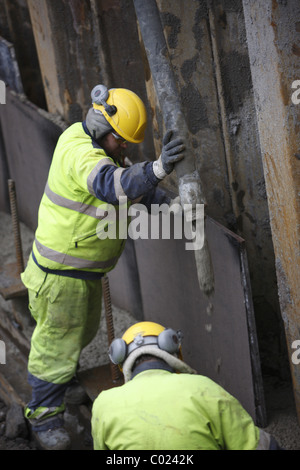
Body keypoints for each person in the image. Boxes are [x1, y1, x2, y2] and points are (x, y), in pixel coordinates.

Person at [21, 84, 185, 450]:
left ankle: (60, 385)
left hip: (78, 273)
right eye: (121, 140)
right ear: (103, 127)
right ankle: (44, 414)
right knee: (55, 345)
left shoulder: (98, 147)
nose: (125, 147)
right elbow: (114, 186)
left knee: (77, 334)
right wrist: (157, 168)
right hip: (60, 276)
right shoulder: (82, 154)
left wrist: (175, 207)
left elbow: (132, 187)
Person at [91, 321, 283, 451]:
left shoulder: (104, 404)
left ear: (122, 362)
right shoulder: (202, 387)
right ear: (174, 351)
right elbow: (259, 446)